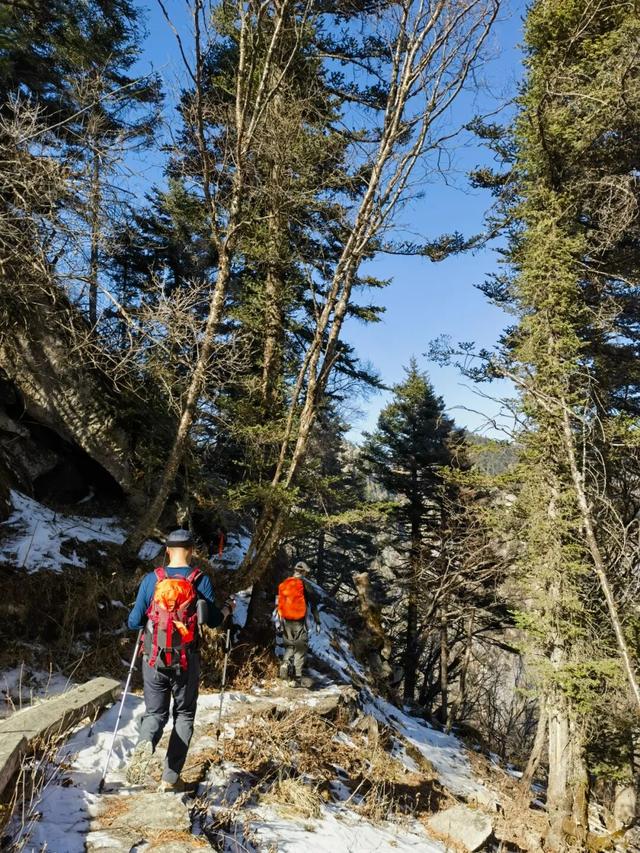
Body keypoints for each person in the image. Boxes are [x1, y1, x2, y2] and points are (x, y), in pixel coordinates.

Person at [126, 529, 232, 791]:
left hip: (153, 660)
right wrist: (228, 609)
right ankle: (170, 779)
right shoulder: (199, 580)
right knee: (184, 715)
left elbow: (133, 622)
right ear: (192, 551)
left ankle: (145, 743)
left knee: (155, 714)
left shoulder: (153, 580)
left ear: (167, 551)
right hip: (186, 660)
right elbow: (214, 620)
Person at [275, 561, 320, 687]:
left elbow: (279, 601)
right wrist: (317, 621)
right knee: (300, 647)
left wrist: (279, 618)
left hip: (285, 619)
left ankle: (285, 665)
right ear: (304, 572)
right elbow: (314, 603)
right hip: (299, 620)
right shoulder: (304, 585)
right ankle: (297, 678)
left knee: (289, 645)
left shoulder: (285, 583)